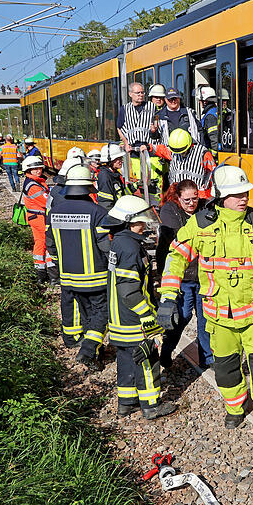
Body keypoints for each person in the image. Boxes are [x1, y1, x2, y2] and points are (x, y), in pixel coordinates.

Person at [158, 165, 253, 449]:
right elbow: (176, 258)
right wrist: (167, 298)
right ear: (222, 196)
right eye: (236, 193)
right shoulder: (200, 224)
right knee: (226, 370)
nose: (243, 197)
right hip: (219, 317)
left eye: (245, 192)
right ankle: (235, 408)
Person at [102, 195, 177, 420]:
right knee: (147, 359)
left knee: (126, 359)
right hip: (133, 318)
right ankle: (151, 406)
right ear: (129, 222)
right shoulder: (130, 247)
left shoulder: (119, 242)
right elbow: (128, 290)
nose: (144, 225)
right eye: (141, 222)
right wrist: (147, 314)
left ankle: (127, 403)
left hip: (118, 317)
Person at [46, 164, 110, 373]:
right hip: (96, 277)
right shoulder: (97, 212)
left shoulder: (54, 212)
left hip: (68, 276)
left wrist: (60, 264)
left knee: (85, 313)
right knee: (101, 312)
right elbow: (105, 245)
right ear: (88, 187)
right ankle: (89, 349)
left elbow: (51, 245)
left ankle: (89, 348)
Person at [156, 179, 212, 369]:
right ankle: (166, 349)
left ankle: (207, 358)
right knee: (182, 316)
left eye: (195, 199)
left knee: (205, 319)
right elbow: (175, 239)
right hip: (185, 276)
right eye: (186, 200)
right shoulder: (170, 212)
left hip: (203, 275)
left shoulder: (204, 208)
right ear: (178, 198)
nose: (191, 203)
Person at [139, 128, 215, 199]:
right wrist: (149, 147)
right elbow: (163, 150)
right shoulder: (174, 151)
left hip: (195, 197)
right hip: (176, 195)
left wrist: (204, 194)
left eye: (182, 151)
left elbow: (212, 174)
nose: (180, 153)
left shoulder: (203, 153)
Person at [20, 156, 55, 284]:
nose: (38, 170)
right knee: (46, 242)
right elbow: (47, 201)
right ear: (28, 170)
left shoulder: (35, 182)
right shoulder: (33, 185)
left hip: (37, 217)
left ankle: (42, 272)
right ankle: (49, 274)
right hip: (39, 217)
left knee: (42, 242)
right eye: (34, 168)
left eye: (39, 167)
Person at [116, 82, 153, 150]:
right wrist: (126, 143)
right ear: (130, 94)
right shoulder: (124, 109)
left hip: (149, 148)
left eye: (142, 92)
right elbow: (119, 128)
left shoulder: (152, 106)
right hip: (133, 149)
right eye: (137, 93)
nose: (141, 95)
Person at [96, 143, 129, 211]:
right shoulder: (104, 176)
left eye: (121, 158)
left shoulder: (114, 174)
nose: (121, 161)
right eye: (118, 158)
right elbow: (105, 203)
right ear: (110, 160)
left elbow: (122, 192)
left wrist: (136, 185)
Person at [198, 87, 219, 155]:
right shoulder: (215, 111)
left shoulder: (210, 117)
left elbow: (214, 137)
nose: (199, 102)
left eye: (200, 100)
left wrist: (213, 155)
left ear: (205, 101)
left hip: (212, 154)